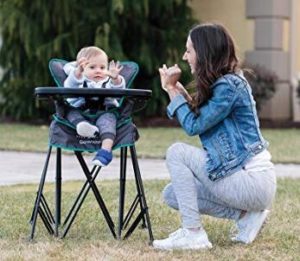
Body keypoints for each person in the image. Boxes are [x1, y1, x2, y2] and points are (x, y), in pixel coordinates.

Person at [153, 23, 277, 250]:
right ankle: (245, 216)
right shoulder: (224, 85)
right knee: (172, 194)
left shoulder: (229, 86)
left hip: (252, 182)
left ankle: (193, 234)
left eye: (189, 50)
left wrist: (172, 91)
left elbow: (194, 126)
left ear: (204, 51)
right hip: (243, 182)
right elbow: (207, 120)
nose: (185, 56)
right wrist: (178, 92)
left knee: (177, 152)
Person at [63, 46, 125, 166]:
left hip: (103, 113)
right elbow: (69, 87)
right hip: (81, 113)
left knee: (109, 120)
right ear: (82, 68)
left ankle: (105, 152)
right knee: (70, 112)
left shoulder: (108, 81)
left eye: (102, 67)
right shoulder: (78, 80)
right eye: (92, 67)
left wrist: (116, 79)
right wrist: (78, 72)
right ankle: (84, 127)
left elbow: (119, 92)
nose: (98, 71)